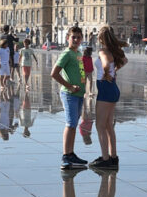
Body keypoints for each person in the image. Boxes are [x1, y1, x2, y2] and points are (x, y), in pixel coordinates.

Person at [51, 26, 88, 169]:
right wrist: (70, 86)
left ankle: (71, 153)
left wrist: (84, 86)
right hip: (69, 94)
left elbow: (81, 71)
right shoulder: (66, 53)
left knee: (74, 124)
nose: (76, 40)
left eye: (79, 37)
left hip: (78, 94)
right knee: (70, 123)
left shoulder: (78, 53)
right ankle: (66, 156)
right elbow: (54, 73)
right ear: (68, 38)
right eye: (74, 37)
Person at [90, 26, 127, 168]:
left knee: (100, 125)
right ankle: (113, 157)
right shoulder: (114, 51)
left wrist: (107, 73)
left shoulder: (103, 51)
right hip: (112, 88)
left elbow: (105, 64)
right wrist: (114, 71)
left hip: (105, 87)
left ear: (100, 38)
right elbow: (125, 61)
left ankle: (105, 159)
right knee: (108, 125)